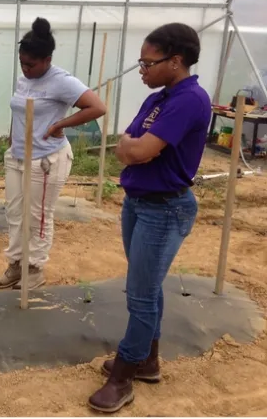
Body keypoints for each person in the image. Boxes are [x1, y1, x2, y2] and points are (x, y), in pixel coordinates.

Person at [88, 23, 210, 413]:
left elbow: (139, 151)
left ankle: (123, 375)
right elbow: (131, 143)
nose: (141, 68)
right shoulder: (159, 98)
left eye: (148, 61)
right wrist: (134, 147)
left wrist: (136, 148)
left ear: (175, 61)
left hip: (164, 208)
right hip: (138, 202)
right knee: (147, 288)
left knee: (140, 294)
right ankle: (148, 361)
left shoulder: (189, 100)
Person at [0, 17, 106, 291]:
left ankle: (34, 268)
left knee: (38, 216)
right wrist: (12, 140)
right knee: (15, 214)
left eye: (31, 64)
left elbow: (97, 107)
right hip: (17, 156)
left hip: (46, 159)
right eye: (22, 63)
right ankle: (16, 264)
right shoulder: (23, 79)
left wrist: (60, 125)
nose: (26, 69)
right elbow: (19, 110)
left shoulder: (61, 80)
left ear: (47, 59)